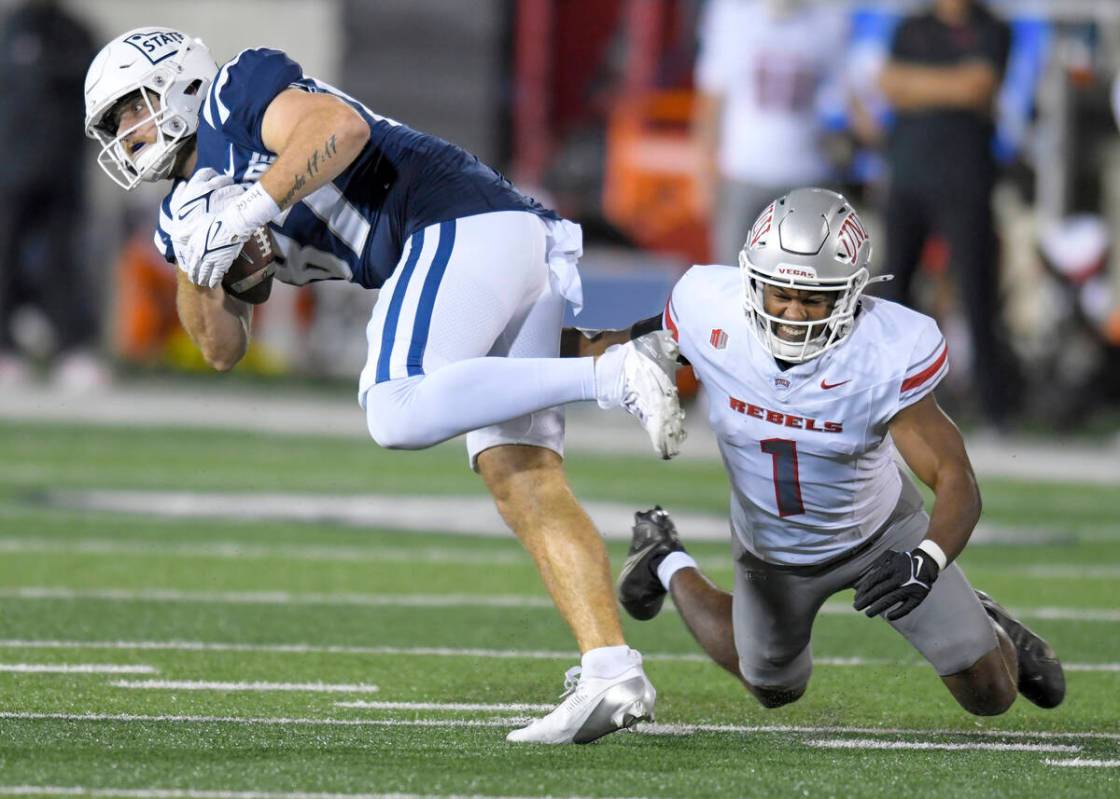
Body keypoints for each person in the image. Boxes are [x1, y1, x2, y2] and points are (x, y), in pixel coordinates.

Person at [83, 27, 687, 744]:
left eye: (131, 110)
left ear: (177, 82)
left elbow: (338, 127)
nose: (125, 136)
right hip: (491, 242)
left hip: (453, 219)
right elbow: (221, 348)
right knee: (521, 475)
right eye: (114, 126)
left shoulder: (233, 96)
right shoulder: (183, 209)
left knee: (394, 404)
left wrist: (247, 210)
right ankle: (610, 667)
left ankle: (617, 370)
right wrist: (197, 256)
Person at [585, 188, 1065, 715]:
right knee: (772, 686)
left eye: (815, 298)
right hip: (771, 546)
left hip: (881, 532)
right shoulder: (707, 308)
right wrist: (515, 351)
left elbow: (956, 479)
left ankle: (987, 620)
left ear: (852, 293)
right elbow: (611, 347)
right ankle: (664, 558)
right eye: (780, 294)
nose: (794, 312)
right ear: (752, 283)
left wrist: (924, 561)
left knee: (991, 698)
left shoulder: (887, 347)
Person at [877, 0, 1016, 428]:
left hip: (965, 177)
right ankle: (881, 396)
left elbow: (978, 86)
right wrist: (951, 84)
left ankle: (993, 409)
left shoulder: (992, 28)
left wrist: (918, 86)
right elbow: (889, 83)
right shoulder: (912, 26)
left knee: (978, 294)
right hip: (908, 176)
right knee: (892, 292)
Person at [692, 0, 849, 264]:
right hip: (742, 172)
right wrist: (704, 170)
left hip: (805, 175)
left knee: (801, 280)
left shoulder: (828, 20)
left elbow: (842, 96)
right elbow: (711, 99)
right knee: (734, 278)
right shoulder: (733, 16)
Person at [0, 0, 101, 386]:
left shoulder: (77, 34)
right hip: (9, 174)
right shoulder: (9, 30)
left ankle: (72, 349)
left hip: (61, 173)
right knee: (4, 258)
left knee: (64, 260)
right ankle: (5, 348)